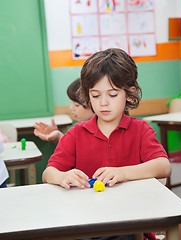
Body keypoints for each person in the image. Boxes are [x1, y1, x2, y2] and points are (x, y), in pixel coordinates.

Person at [42, 48, 171, 240]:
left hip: (131, 223)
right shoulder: (76, 133)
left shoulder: (141, 130)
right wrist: (63, 176)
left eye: (112, 95)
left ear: (129, 93)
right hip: (87, 222)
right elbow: (48, 174)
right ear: (87, 95)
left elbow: (164, 166)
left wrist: (122, 173)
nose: (103, 103)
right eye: (95, 96)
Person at [33, 78, 95, 144]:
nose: (71, 108)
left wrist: (59, 136)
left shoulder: (99, 130)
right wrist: (58, 136)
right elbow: (72, 147)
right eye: (72, 103)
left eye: (76, 105)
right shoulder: (83, 127)